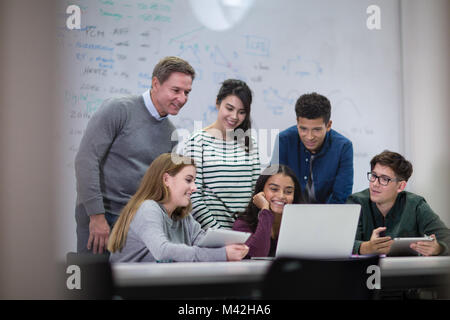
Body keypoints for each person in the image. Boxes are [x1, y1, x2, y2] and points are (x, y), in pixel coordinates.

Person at [75, 56, 195, 254]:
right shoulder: (119, 109)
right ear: (155, 83)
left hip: (135, 223)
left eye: (187, 92)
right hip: (101, 218)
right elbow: (85, 161)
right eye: (176, 90)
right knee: (93, 280)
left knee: (127, 283)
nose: (182, 99)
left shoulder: (170, 133)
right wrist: (97, 217)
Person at [108, 153, 249, 262]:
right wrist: (222, 254)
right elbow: (162, 251)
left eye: (194, 181)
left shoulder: (183, 216)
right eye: (188, 180)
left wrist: (234, 247)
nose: (194, 188)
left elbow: (203, 242)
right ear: (166, 179)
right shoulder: (148, 208)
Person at [184, 79, 261, 229]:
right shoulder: (197, 141)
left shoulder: (250, 143)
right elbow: (193, 195)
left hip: (245, 232)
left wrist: (246, 229)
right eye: (229, 108)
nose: (234, 116)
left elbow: (255, 193)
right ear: (217, 103)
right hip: (210, 234)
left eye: (241, 112)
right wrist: (218, 233)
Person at [347, 150, 450, 256]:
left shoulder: (415, 205)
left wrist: (439, 248)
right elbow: (341, 243)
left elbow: (446, 238)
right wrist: (365, 247)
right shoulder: (356, 202)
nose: (375, 184)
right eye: (373, 176)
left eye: (384, 179)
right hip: (363, 270)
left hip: (406, 270)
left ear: (400, 186)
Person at [272, 92, 353, 204]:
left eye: (317, 129)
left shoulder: (343, 147)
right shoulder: (283, 140)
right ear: (297, 122)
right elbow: (275, 187)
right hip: (290, 212)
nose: (309, 137)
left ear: (328, 125)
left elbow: (340, 197)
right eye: (303, 129)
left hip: (328, 215)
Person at [232, 165, 303, 258]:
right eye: (274, 189)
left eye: (288, 191)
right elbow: (257, 256)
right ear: (261, 191)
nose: (281, 196)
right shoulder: (243, 224)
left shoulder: (300, 224)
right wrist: (265, 210)